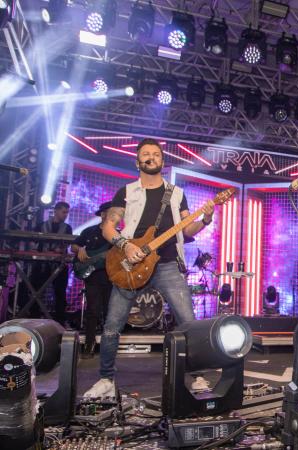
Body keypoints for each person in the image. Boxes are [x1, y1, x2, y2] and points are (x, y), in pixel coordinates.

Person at [83, 138, 215, 398]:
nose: (151, 157)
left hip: (167, 264)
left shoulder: (176, 194)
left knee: (188, 322)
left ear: (162, 161)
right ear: (138, 162)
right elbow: (108, 227)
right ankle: (106, 379)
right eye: (145, 154)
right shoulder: (126, 191)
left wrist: (206, 219)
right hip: (131, 264)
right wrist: (125, 246)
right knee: (112, 325)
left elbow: (187, 230)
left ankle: (199, 376)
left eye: (156, 154)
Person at [71, 201, 114, 358]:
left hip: (110, 276)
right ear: (103, 214)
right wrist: (80, 249)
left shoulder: (118, 235)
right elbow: (73, 246)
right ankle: (89, 344)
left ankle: (108, 347)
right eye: (111, 212)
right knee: (93, 310)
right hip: (93, 277)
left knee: (110, 312)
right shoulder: (89, 231)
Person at [20, 202, 72, 323]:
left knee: (60, 293)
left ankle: (60, 321)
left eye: (67, 212)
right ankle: (34, 318)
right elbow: (32, 242)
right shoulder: (41, 225)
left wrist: (60, 250)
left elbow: (67, 244)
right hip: (41, 264)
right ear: (56, 211)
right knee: (36, 290)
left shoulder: (67, 228)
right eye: (64, 212)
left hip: (59, 265)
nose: (65, 215)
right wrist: (37, 250)